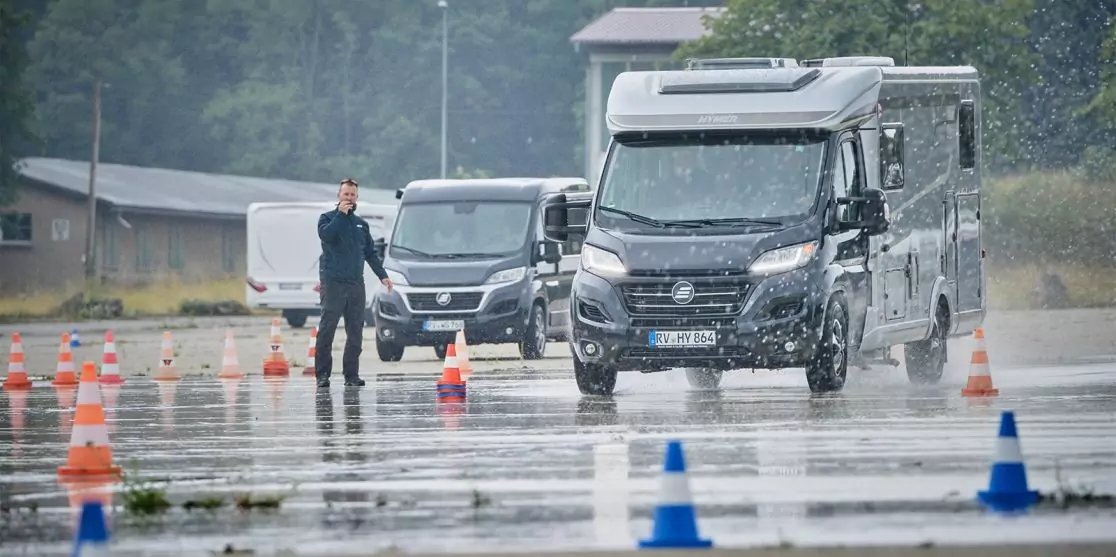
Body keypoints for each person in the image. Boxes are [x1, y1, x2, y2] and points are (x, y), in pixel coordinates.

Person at [315, 178, 393, 388]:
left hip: (355, 284)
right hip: (333, 284)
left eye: (352, 195)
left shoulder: (361, 224)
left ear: (357, 197)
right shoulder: (327, 218)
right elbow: (326, 236)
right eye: (345, 194)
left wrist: (382, 274)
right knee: (327, 329)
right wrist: (340, 214)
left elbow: (370, 253)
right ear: (339, 196)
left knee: (356, 330)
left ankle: (351, 375)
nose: (349, 198)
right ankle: (322, 375)